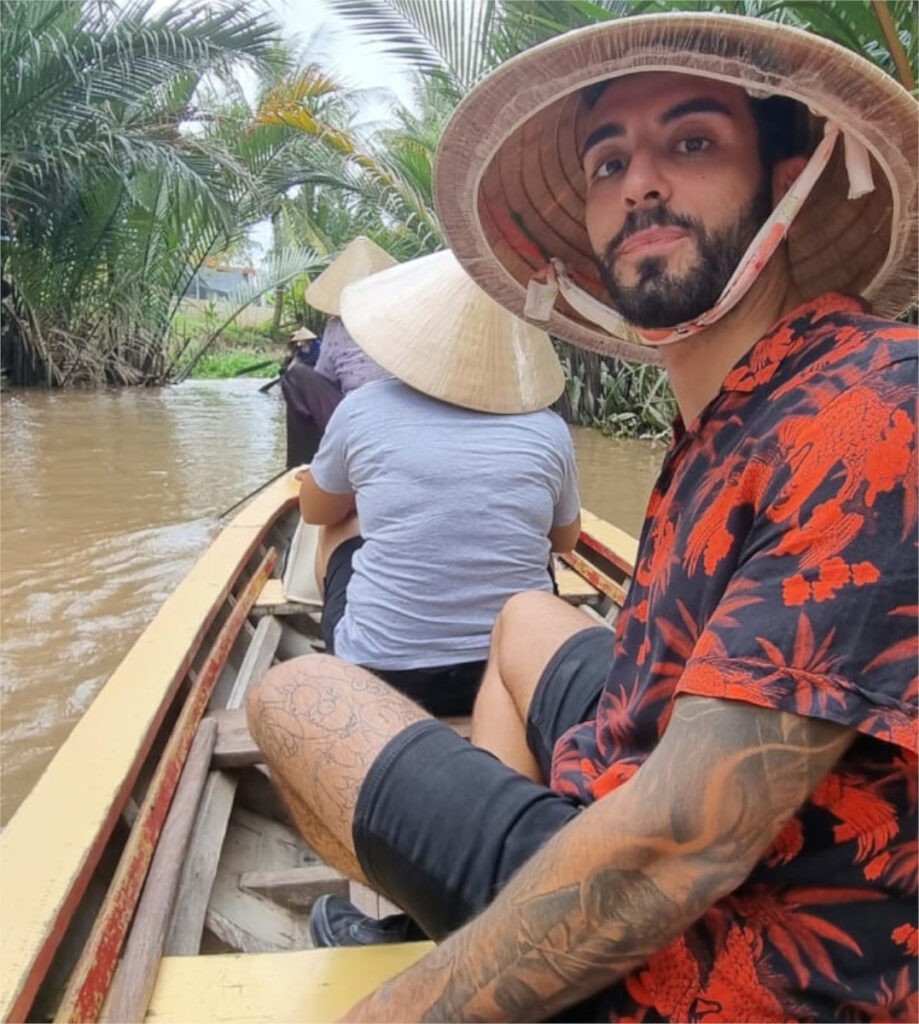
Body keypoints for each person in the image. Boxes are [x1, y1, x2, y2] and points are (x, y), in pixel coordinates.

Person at [247, 12, 917, 1022]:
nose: (639, 182)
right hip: (651, 806)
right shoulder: (732, 413)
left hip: (724, 963)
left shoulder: (875, 401)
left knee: (294, 696)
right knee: (521, 616)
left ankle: (502, 922)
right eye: (610, 161)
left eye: (690, 143)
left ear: (785, 183)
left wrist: (403, 1011)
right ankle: (525, 863)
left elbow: (686, 841)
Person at [296, 248, 581, 718]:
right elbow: (565, 540)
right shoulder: (548, 428)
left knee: (339, 523)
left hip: (381, 674)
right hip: (510, 671)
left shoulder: (363, 408)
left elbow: (313, 512)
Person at [280, 236, 396, 466]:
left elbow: (324, 378)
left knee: (294, 378)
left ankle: (306, 466)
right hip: (405, 413)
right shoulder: (409, 317)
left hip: (357, 416)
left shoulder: (338, 325)